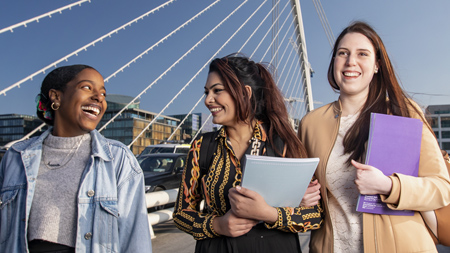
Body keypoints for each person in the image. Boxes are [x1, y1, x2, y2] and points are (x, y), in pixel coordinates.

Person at [298, 21, 450, 252]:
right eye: (343, 53)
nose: (351, 61)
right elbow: (309, 198)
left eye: (362, 54)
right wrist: (301, 199)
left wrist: (389, 186)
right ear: (334, 62)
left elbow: (441, 188)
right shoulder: (311, 124)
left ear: (377, 65)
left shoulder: (403, 112)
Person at [173, 54, 323, 253]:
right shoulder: (202, 146)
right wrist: (217, 225)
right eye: (207, 92)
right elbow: (181, 214)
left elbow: (315, 216)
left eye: (217, 90)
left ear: (245, 93)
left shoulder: (283, 145)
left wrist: (270, 214)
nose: (208, 100)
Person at [0, 65, 152, 252]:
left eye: (103, 93)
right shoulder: (16, 157)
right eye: (87, 87)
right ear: (56, 96)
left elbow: (135, 240)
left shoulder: (118, 160)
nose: (99, 98)